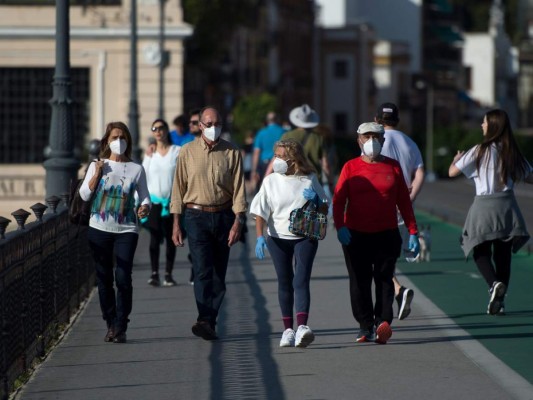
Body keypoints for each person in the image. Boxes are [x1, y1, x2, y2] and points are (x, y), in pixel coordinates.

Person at [333, 122, 419, 344]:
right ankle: (365, 325)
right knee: (359, 281)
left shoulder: (393, 166)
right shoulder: (350, 167)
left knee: (384, 278)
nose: (371, 141)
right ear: (359, 141)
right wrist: (340, 227)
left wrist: (413, 231)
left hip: (386, 234)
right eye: (366, 137)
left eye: (376, 137)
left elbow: (404, 201)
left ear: (383, 140)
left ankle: (382, 323)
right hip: (355, 235)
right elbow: (338, 200)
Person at [170, 106, 248, 341]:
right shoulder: (187, 151)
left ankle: (209, 321)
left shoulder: (231, 151)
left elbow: (239, 190)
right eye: (209, 124)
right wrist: (176, 223)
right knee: (202, 269)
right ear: (200, 125)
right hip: (196, 216)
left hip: (223, 215)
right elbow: (178, 188)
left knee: (218, 274)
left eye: (218, 123)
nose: (214, 128)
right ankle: (204, 318)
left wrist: (238, 221)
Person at [448, 109, 532, 315]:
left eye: (484, 122)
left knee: (479, 248)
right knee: (503, 255)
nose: (482, 125)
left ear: (492, 126)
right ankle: (500, 302)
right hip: (507, 206)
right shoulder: (512, 152)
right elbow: (530, 176)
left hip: (484, 207)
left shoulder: (479, 150)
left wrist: (456, 158)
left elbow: (452, 172)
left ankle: (493, 284)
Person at [250, 139, 328, 348]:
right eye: (275, 155)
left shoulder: (309, 178)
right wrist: (259, 237)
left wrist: (317, 200)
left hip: (305, 236)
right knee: (284, 281)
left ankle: (302, 326)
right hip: (277, 238)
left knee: (300, 280)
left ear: (293, 159)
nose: (276, 160)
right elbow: (260, 211)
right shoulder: (270, 181)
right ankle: (287, 330)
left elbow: (324, 207)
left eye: (280, 156)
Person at [79, 121, 151, 343]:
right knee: (104, 278)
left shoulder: (137, 169)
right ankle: (110, 322)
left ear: (128, 140)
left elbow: (145, 197)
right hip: (99, 228)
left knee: (123, 277)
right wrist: (96, 173)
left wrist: (145, 207)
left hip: (126, 229)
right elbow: (84, 195)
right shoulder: (97, 165)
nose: (118, 141)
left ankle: (121, 324)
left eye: (122, 137)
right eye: (114, 138)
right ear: (107, 141)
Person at [375, 102, 425, 320]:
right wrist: (409, 198)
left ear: (377, 120)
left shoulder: (375, 142)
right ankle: (397, 293)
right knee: (387, 256)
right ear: (397, 120)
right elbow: (420, 173)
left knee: (376, 256)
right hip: (403, 208)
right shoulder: (409, 142)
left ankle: (397, 291)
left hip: (381, 204)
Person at [142, 119, 181, 287]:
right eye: (154, 128)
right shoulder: (150, 154)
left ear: (166, 130)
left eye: (161, 128)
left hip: (172, 203)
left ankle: (168, 274)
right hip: (154, 203)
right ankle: (154, 273)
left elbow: (182, 175)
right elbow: (143, 176)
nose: (158, 131)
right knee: (154, 237)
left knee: (171, 238)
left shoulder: (177, 151)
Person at [266, 105, 333, 190]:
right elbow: (325, 164)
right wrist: (330, 182)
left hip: (290, 179)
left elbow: (276, 158)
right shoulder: (318, 138)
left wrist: (267, 176)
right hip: (312, 179)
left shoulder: (287, 135)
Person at [251, 111, 286, 191]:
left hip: (264, 165)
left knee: (263, 190)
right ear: (277, 119)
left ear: (267, 120)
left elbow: (256, 152)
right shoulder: (283, 132)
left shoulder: (261, 133)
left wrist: (254, 170)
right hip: (280, 164)